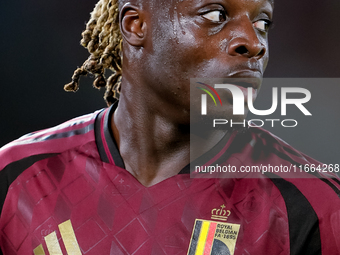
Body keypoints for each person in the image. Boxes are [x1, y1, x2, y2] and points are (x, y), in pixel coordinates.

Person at [0, 0, 339, 254]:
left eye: (262, 22)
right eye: (215, 15)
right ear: (135, 25)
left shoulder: (315, 204)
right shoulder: (15, 178)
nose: (254, 43)